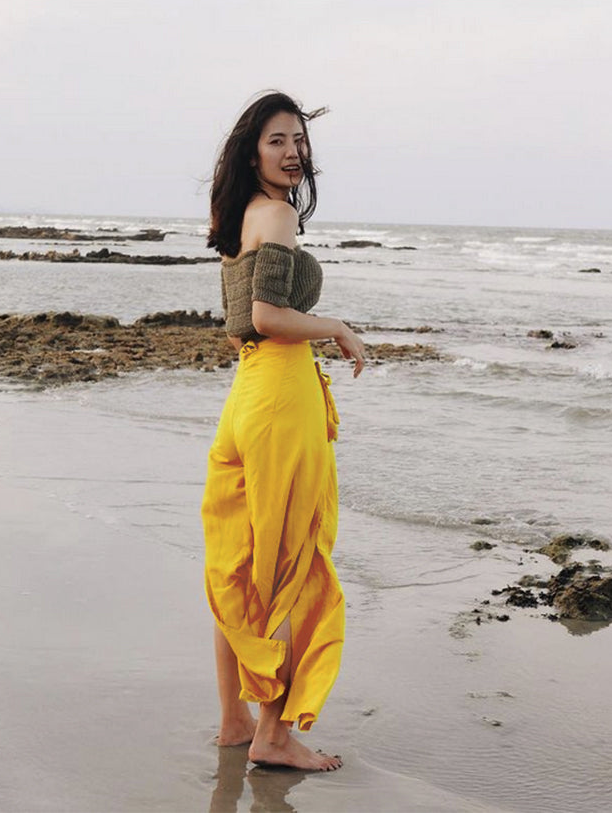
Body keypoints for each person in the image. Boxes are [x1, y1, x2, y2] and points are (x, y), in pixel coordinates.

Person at [201, 91, 366, 772]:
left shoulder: (244, 214)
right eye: (278, 140)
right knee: (287, 566)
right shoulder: (278, 215)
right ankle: (272, 735)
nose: (294, 151)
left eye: (299, 140)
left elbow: (246, 321)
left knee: (241, 560)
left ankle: (235, 721)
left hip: (246, 396)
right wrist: (336, 327)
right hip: (279, 397)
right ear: (252, 152)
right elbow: (269, 316)